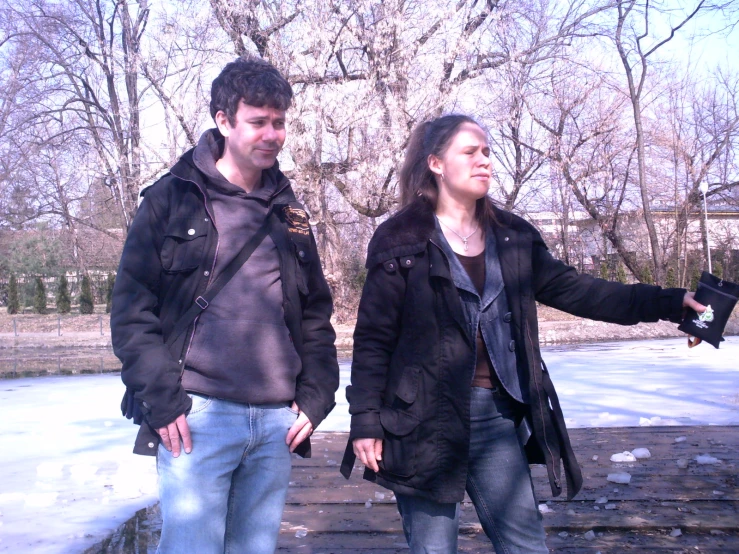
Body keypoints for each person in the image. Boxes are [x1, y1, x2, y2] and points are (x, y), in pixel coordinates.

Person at [341, 114, 705, 553]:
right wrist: (364, 421)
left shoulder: (512, 238)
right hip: (420, 424)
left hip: (497, 415)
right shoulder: (400, 239)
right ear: (436, 163)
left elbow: (585, 293)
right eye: (470, 152)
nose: (485, 162)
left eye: (488, 152)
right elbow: (374, 339)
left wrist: (669, 302)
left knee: (526, 546)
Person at [111, 56, 339, 554]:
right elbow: (131, 310)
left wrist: (318, 393)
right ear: (223, 120)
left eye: (279, 122)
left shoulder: (291, 213)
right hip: (197, 417)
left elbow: (316, 314)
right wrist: (163, 398)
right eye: (258, 121)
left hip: (276, 421)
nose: (273, 134)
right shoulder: (171, 199)